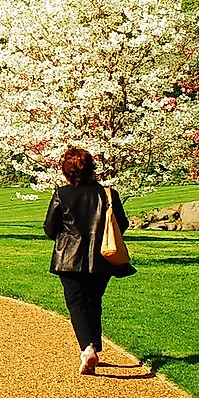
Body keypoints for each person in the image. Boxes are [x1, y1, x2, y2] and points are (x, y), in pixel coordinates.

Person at [42, 146, 136, 375]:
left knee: (76, 304)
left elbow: (50, 228)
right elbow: (122, 224)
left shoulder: (61, 194)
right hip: (102, 258)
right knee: (94, 302)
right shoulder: (108, 194)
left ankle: (88, 348)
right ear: (92, 169)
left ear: (67, 172)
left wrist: (66, 237)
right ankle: (93, 345)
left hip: (68, 259)